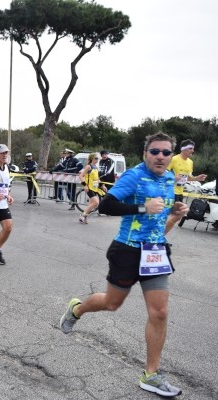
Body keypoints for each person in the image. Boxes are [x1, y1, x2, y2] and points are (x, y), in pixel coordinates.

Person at [60, 131, 188, 398]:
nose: (161, 156)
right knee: (111, 303)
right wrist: (142, 208)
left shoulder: (167, 180)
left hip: (155, 252)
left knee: (160, 312)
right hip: (127, 250)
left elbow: (157, 223)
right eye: (155, 151)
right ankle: (77, 308)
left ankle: (151, 375)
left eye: (166, 152)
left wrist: (174, 216)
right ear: (145, 154)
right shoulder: (133, 175)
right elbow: (106, 205)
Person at [77, 153, 105, 224]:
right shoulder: (88, 167)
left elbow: (97, 179)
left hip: (95, 188)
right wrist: (85, 185)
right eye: (95, 158)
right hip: (89, 188)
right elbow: (81, 176)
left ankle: (85, 218)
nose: (97, 160)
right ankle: (82, 215)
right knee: (96, 202)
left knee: (91, 204)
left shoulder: (96, 167)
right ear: (91, 158)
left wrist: (102, 186)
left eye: (97, 159)